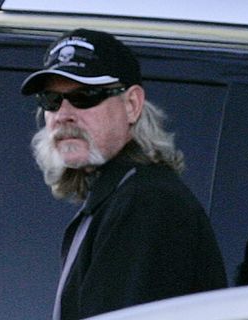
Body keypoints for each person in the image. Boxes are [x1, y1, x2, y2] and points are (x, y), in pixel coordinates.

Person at [21, 28, 227, 320]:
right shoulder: (121, 194)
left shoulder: (146, 204)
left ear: (131, 105)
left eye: (85, 96)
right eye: (51, 99)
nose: (63, 113)